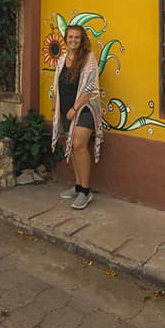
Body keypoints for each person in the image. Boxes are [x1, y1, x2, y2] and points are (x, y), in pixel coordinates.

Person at [50, 24, 103, 209]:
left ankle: (86, 191)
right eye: (70, 37)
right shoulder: (63, 58)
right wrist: (56, 108)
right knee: (72, 146)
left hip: (84, 109)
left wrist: (75, 107)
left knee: (80, 145)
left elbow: (89, 87)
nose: (73, 40)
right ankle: (79, 186)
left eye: (77, 37)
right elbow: (57, 84)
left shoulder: (88, 59)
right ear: (66, 39)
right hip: (66, 110)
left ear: (82, 40)